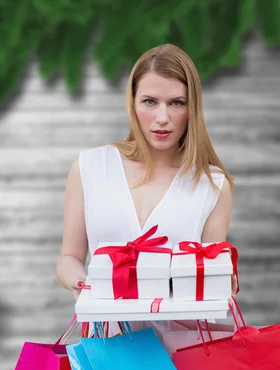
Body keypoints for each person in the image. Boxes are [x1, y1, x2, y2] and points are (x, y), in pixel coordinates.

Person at [55, 43, 238, 336]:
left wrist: (220, 279)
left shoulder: (212, 184)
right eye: (150, 101)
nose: (162, 117)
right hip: (106, 348)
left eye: (176, 103)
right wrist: (82, 284)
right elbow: (69, 258)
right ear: (132, 103)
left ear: (192, 109)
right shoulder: (89, 167)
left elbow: (207, 279)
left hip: (181, 355)